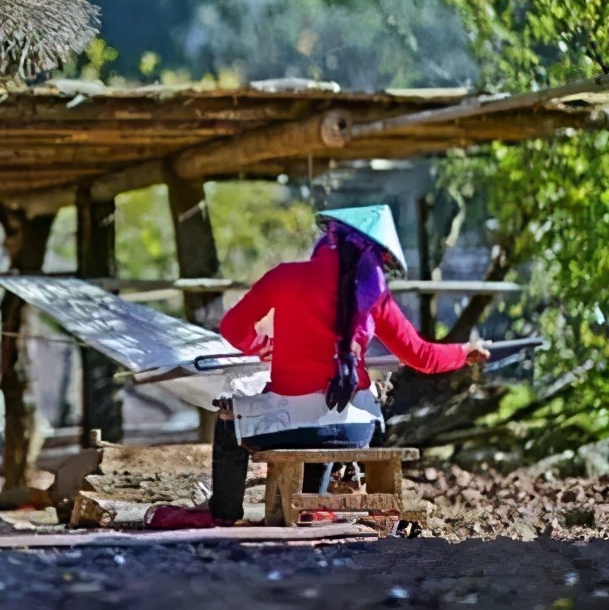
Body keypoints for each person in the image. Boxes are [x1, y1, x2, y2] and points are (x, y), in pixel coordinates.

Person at [209, 205, 489, 523]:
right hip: (354, 429)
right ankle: (312, 506)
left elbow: (232, 327)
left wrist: (263, 347)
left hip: (288, 425)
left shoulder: (285, 276)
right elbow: (422, 356)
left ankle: (224, 515)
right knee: (329, 417)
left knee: (231, 412)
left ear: (329, 240)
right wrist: (465, 351)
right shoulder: (375, 298)